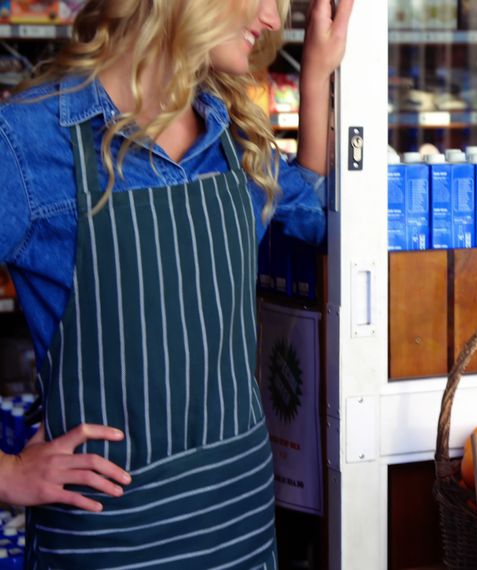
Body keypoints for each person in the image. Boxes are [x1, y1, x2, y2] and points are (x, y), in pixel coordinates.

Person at [0, 0, 353, 566]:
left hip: (240, 527)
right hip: (113, 543)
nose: (271, 20)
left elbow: (314, 216)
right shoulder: (29, 142)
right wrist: (9, 474)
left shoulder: (231, 137)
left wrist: (316, 76)